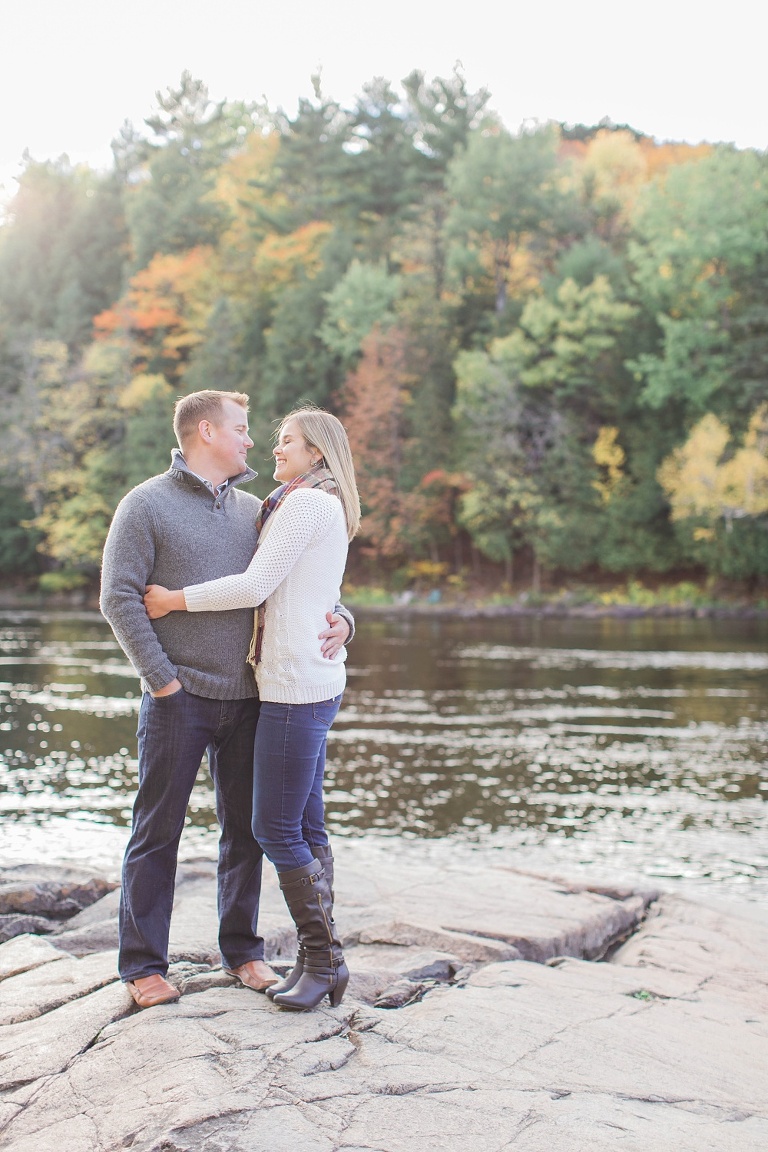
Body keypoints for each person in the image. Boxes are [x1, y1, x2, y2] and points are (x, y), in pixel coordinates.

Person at [100, 390, 353, 1010]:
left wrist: (343, 618)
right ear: (205, 432)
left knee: (246, 832)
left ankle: (243, 952)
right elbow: (118, 598)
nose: (251, 441)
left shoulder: (258, 510)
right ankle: (143, 966)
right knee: (157, 829)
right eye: (241, 430)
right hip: (178, 695)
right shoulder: (145, 504)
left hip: (251, 697)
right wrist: (162, 680)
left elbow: (298, 583)